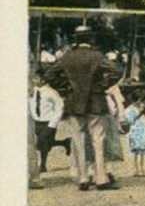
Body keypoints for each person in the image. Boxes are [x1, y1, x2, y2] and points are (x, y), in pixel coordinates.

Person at [45, 25, 121, 190]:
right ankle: (101, 179)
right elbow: (116, 71)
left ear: (76, 40)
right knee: (98, 141)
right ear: (91, 39)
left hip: (73, 102)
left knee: (78, 142)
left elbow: (49, 74)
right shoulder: (97, 56)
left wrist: (65, 87)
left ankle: (83, 178)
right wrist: (101, 86)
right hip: (96, 102)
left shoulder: (67, 57)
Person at [29, 68, 71, 173]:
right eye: (33, 78)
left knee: (40, 143)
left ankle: (42, 165)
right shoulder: (32, 91)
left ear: (43, 80)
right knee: (46, 144)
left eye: (36, 78)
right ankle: (65, 142)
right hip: (37, 121)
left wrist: (53, 123)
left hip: (48, 122)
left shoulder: (51, 92)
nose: (34, 80)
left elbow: (60, 107)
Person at [122, 93, 145, 177]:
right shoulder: (129, 109)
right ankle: (135, 170)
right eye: (140, 100)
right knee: (135, 151)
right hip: (135, 131)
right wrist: (139, 113)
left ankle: (142, 169)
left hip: (143, 131)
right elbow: (129, 120)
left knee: (142, 151)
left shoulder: (142, 108)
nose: (140, 102)